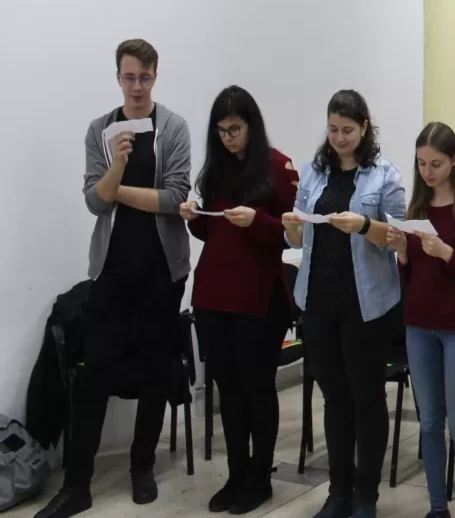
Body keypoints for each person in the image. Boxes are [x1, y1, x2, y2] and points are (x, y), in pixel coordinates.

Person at [37, 40, 191, 518]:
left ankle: (141, 467)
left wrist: (115, 188)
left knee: (152, 370)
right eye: (129, 77)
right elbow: (93, 202)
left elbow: (173, 198)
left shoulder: (173, 127)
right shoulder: (100, 131)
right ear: (118, 77)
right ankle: (78, 484)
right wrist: (119, 163)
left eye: (145, 77)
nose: (137, 86)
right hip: (112, 270)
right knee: (94, 373)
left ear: (155, 76)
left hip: (163, 272)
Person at [282, 90, 404, 518]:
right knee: (334, 397)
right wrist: (292, 227)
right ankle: (338, 491)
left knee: (367, 398)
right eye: (333, 129)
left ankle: (366, 496)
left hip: (366, 303)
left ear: (365, 127)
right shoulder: (315, 171)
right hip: (317, 300)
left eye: (348, 130)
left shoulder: (384, 175)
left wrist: (365, 224)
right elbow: (295, 237)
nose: (339, 137)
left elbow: (397, 238)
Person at [180, 86, 298, 514]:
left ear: (251, 125)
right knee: (227, 389)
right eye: (221, 131)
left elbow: (293, 232)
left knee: (256, 388)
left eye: (234, 129)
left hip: (259, 297)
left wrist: (259, 221)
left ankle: (259, 477)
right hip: (213, 294)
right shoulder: (216, 169)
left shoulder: (277, 166)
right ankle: (236, 473)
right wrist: (195, 219)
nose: (227, 138)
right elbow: (213, 234)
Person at [387, 123, 455, 518]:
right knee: (429, 422)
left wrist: (446, 253)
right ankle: (437, 507)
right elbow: (411, 280)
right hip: (419, 325)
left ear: (454, 161)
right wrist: (402, 253)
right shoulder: (416, 208)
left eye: (435, 163)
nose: (427, 172)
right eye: (421, 164)